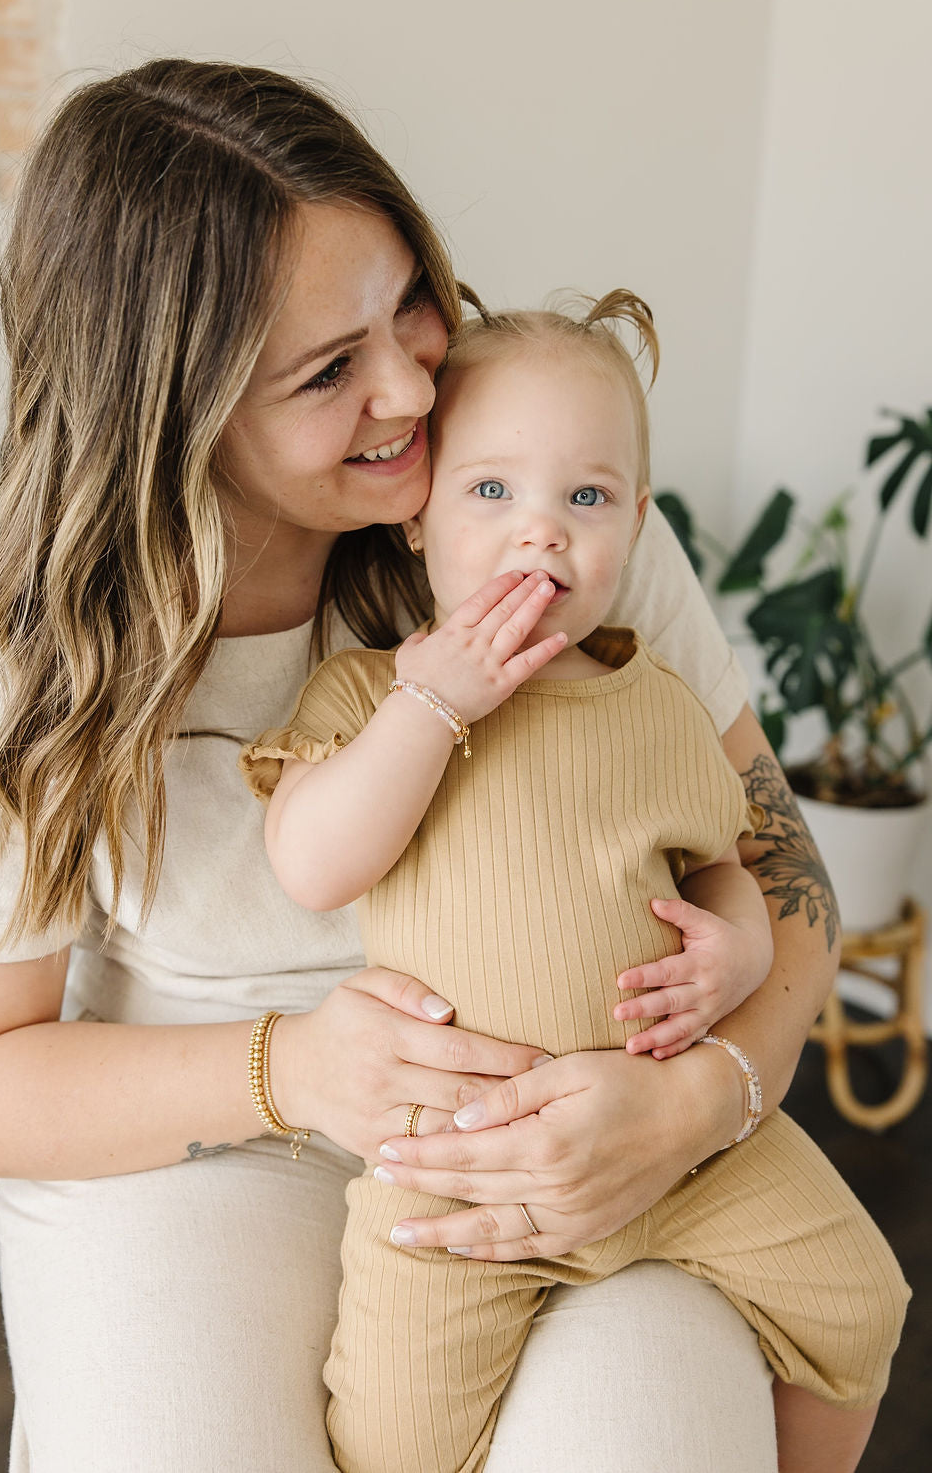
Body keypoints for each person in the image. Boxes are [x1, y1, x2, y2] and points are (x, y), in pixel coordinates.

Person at [0, 59, 855, 1473]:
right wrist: (295, 1066)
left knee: (665, 1427)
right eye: (327, 369)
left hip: (568, 1112)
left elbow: (788, 880)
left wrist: (700, 1093)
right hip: (204, 1130)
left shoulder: (550, 511)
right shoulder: (33, 662)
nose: (416, 383)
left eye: (407, 301)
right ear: (175, 415)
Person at [242, 294, 909, 1473]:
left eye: (585, 497)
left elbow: (732, 864)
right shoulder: (370, 695)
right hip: (455, 1170)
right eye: (492, 492)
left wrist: (741, 949)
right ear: (418, 518)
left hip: (682, 1149)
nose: (539, 532)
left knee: (864, 1298)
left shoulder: (657, 700)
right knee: (392, 1443)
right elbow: (312, 861)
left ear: (636, 525)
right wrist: (432, 702)